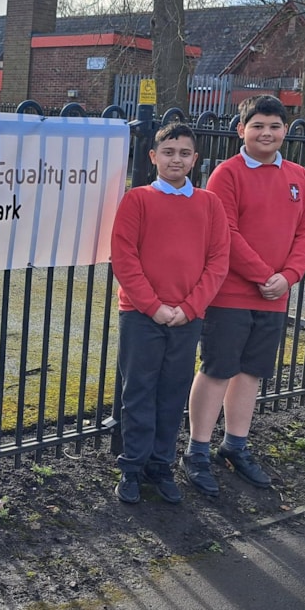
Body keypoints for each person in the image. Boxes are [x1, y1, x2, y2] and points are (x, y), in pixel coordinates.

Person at [183, 94, 305, 497]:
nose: (267, 132)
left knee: (251, 373)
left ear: (285, 131)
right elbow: (225, 231)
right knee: (217, 369)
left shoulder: (300, 177)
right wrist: (264, 274)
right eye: (258, 125)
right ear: (241, 130)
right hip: (230, 294)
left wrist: (289, 276)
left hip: (275, 295)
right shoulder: (227, 174)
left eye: (274, 126)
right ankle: (196, 452)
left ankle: (235, 446)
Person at [110, 122, 230, 504]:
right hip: (141, 315)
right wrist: (153, 306)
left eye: (183, 153)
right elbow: (125, 258)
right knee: (139, 391)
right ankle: (132, 466)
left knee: (172, 391)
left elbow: (218, 260)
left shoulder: (209, 204)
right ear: (153, 157)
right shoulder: (137, 200)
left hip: (187, 318)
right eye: (168, 152)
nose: (175, 159)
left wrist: (190, 307)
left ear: (195, 159)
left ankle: (160, 466)